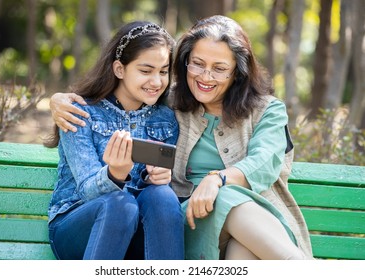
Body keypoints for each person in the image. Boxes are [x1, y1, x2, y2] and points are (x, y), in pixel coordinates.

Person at [49, 15, 313, 260]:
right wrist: (57, 100)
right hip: (189, 220)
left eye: (219, 68)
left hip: (255, 224)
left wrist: (216, 180)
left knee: (240, 245)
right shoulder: (175, 104)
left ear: (237, 72)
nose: (206, 76)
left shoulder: (264, 110)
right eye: (197, 64)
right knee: (159, 199)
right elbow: (125, 94)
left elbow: (264, 162)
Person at [44, 21, 184, 260]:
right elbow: (87, 191)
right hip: (78, 226)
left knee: (162, 196)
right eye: (145, 70)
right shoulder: (80, 112)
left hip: (136, 232)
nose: (157, 82)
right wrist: (115, 175)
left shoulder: (166, 117)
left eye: (163, 71)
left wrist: (159, 179)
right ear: (119, 69)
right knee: (119, 204)